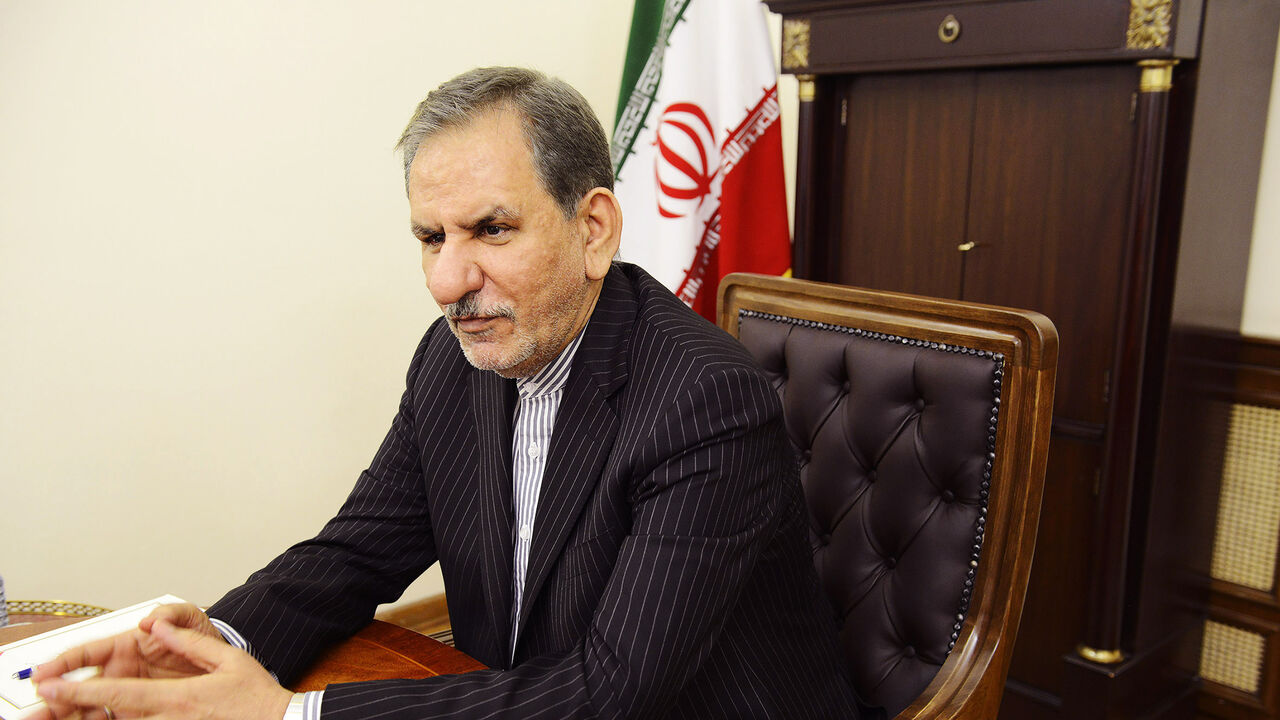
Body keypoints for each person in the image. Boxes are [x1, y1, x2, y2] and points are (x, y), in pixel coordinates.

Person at [32, 67, 863, 720]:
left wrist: (290, 714)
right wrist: (211, 644)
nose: (446, 280)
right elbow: (354, 553)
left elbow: (613, 691)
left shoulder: (706, 401)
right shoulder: (453, 358)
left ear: (594, 229)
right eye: (430, 237)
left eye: (490, 230)